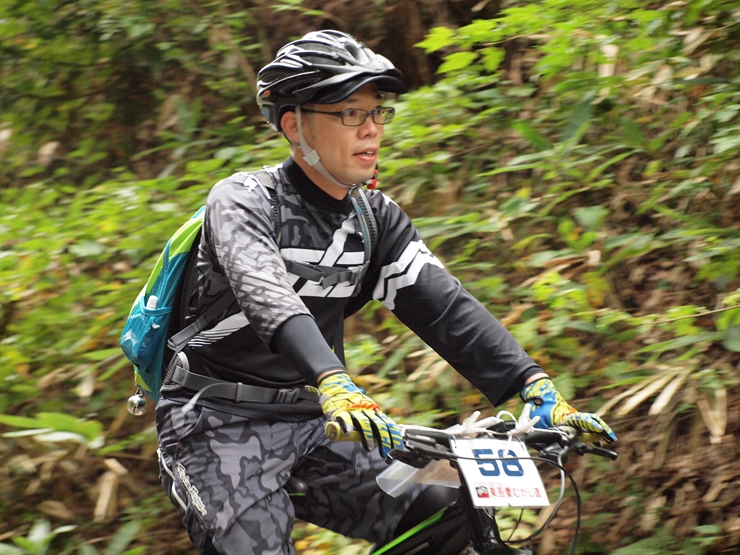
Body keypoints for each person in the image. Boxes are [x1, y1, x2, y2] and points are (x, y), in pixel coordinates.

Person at [155, 29, 616, 555]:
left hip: (319, 426)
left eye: (377, 112)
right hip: (215, 424)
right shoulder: (245, 201)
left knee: (450, 505)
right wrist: (333, 380)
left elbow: (446, 309)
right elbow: (267, 294)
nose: (371, 128)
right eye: (350, 113)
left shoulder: (374, 220)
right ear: (294, 124)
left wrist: (536, 388)